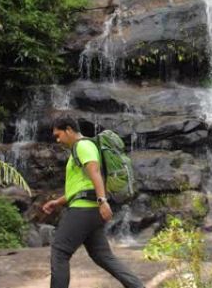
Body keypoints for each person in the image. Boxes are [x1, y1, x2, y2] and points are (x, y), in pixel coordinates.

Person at [43, 116, 144, 288]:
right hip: (89, 210)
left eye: (58, 135)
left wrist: (102, 201)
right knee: (103, 256)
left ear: (69, 130)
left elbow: (95, 172)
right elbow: (82, 186)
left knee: (60, 252)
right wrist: (58, 202)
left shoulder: (83, 145)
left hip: (83, 210)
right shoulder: (78, 150)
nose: (57, 140)